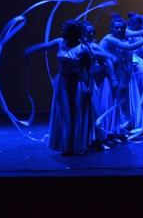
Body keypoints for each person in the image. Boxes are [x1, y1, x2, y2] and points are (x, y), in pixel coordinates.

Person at [25, 19, 114, 156]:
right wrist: (30, 50)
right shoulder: (60, 43)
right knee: (65, 115)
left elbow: (88, 69)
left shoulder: (83, 49)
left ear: (73, 33)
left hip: (78, 84)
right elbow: (45, 46)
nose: (62, 33)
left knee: (77, 115)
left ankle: (78, 146)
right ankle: (66, 146)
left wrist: (89, 87)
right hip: (63, 85)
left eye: (65, 31)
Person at [99, 14, 143, 138]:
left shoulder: (123, 34)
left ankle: (119, 130)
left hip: (118, 71)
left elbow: (140, 32)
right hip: (106, 73)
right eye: (116, 28)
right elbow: (130, 46)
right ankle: (108, 132)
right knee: (111, 101)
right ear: (111, 28)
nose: (119, 30)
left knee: (121, 101)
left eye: (121, 28)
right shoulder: (109, 39)